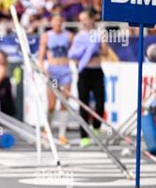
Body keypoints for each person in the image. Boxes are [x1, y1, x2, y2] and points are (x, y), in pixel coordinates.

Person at [68, 10, 108, 148]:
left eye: (85, 18)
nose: (83, 22)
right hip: (84, 72)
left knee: (100, 102)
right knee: (83, 104)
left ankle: (96, 127)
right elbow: (73, 55)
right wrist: (81, 55)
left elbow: (105, 52)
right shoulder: (78, 36)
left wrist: (94, 50)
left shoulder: (99, 33)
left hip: (96, 71)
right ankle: (83, 136)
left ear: (92, 19)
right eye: (81, 19)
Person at [38, 14, 73, 145]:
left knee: (64, 102)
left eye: (60, 22)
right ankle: (47, 130)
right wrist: (42, 68)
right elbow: (41, 55)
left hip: (65, 71)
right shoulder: (47, 36)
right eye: (55, 22)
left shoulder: (69, 36)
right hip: (53, 71)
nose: (58, 24)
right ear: (51, 23)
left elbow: (74, 51)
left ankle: (62, 134)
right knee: (51, 104)